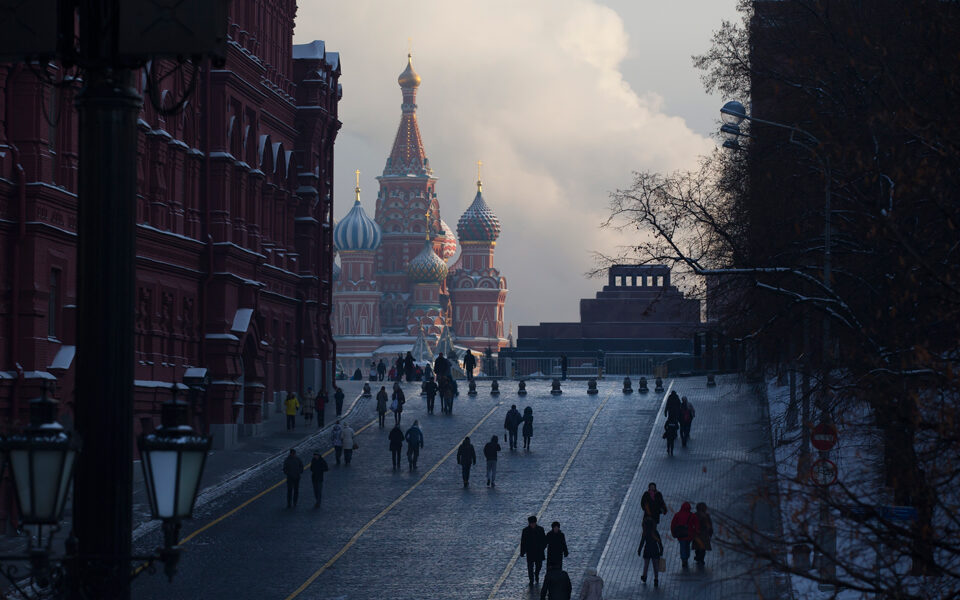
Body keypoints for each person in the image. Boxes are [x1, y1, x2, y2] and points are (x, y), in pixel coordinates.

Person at [670, 501, 700, 569]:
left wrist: (673, 532)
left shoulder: (677, 515)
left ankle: (684, 559)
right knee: (687, 546)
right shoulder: (692, 515)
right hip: (689, 534)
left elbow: (673, 524)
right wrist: (696, 531)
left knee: (682, 546)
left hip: (680, 535)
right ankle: (686, 557)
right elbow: (696, 523)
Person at [636, 515, 664, 587]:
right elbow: (659, 542)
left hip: (647, 550)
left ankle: (644, 576)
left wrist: (639, 550)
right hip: (655, 550)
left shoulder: (645, 533)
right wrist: (661, 549)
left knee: (646, 565)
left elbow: (642, 542)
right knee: (655, 566)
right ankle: (656, 579)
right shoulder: (655, 532)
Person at [520, 515, 547, 585]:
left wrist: (542, 547)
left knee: (539, 565)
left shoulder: (540, 529)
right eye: (531, 523)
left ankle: (536, 574)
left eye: (533, 523)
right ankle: (531, 579)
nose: (532, 524)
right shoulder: (525, 531)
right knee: (530, 567)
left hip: (539, 551)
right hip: (530, 551)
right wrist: (522, 551)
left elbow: (544, 540)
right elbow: (523, 541)